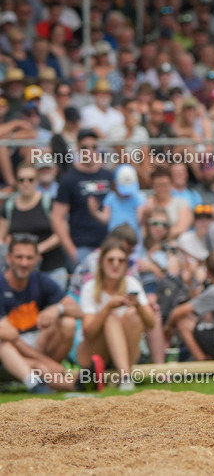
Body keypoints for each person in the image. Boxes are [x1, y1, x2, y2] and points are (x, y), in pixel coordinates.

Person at [0, 234, 84, 392]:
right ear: (9, 258)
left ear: (37, 259)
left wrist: (58, 309)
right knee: (5, 342)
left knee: (67, 321)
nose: (24, 263)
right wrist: (48, 363)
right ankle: (42, 383)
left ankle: (73, 383)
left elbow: (79, 311)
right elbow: (11, 336)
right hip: (9, 355)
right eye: (19, 257)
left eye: (29, 257)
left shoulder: (41, 280)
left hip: (34, 348)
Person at [75, 237, 156, 391]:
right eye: (111, 260)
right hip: (93, 353)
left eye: (121, 260)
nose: (115, 264)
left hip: (127, 351)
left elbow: (151, 323)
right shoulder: (89, 288)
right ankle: (125, 376)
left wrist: (138, 305)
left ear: (126, 264)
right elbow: (89, 333)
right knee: (110, 317)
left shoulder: (132, 284)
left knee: (133, 314)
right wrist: (108, 307)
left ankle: (124, 375)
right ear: (101, 263)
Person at [52, 129, 114, 265]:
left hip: (108, 246)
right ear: (78, 149)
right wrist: (72, 251)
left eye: (94, 147)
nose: (90, 151)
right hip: (81, 247)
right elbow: (57, 217)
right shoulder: (69, 179)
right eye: (85, 148)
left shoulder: (107, 176)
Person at [0, 162, 64, 287]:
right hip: (20, 270)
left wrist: (36, 250)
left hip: (50, 268)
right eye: (21, 180)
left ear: (37, 180)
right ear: (16, 182)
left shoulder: (48, 202)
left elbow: (61, 234)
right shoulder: (9, 206)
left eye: (30, 179)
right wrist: (17, 251)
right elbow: (2, 236)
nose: (26, 183)